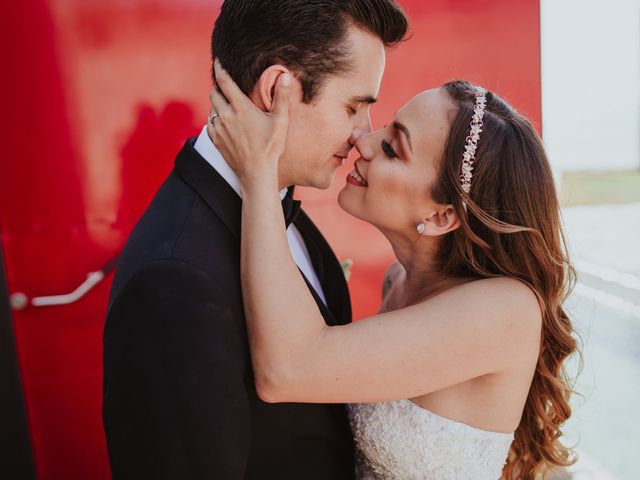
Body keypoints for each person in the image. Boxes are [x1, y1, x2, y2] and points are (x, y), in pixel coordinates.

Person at [207, 61, 580, 479]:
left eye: (391, 148)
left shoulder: (506, 311)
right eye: (387, 129)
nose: (362, 141)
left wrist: (259, 170)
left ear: (441, 215)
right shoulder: (397, 281)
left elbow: (286, 371)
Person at [102, 1, 408, 479]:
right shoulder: (173, 280)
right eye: (353, 107)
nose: (361, 136)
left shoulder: (280, 206)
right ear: (276, 89)